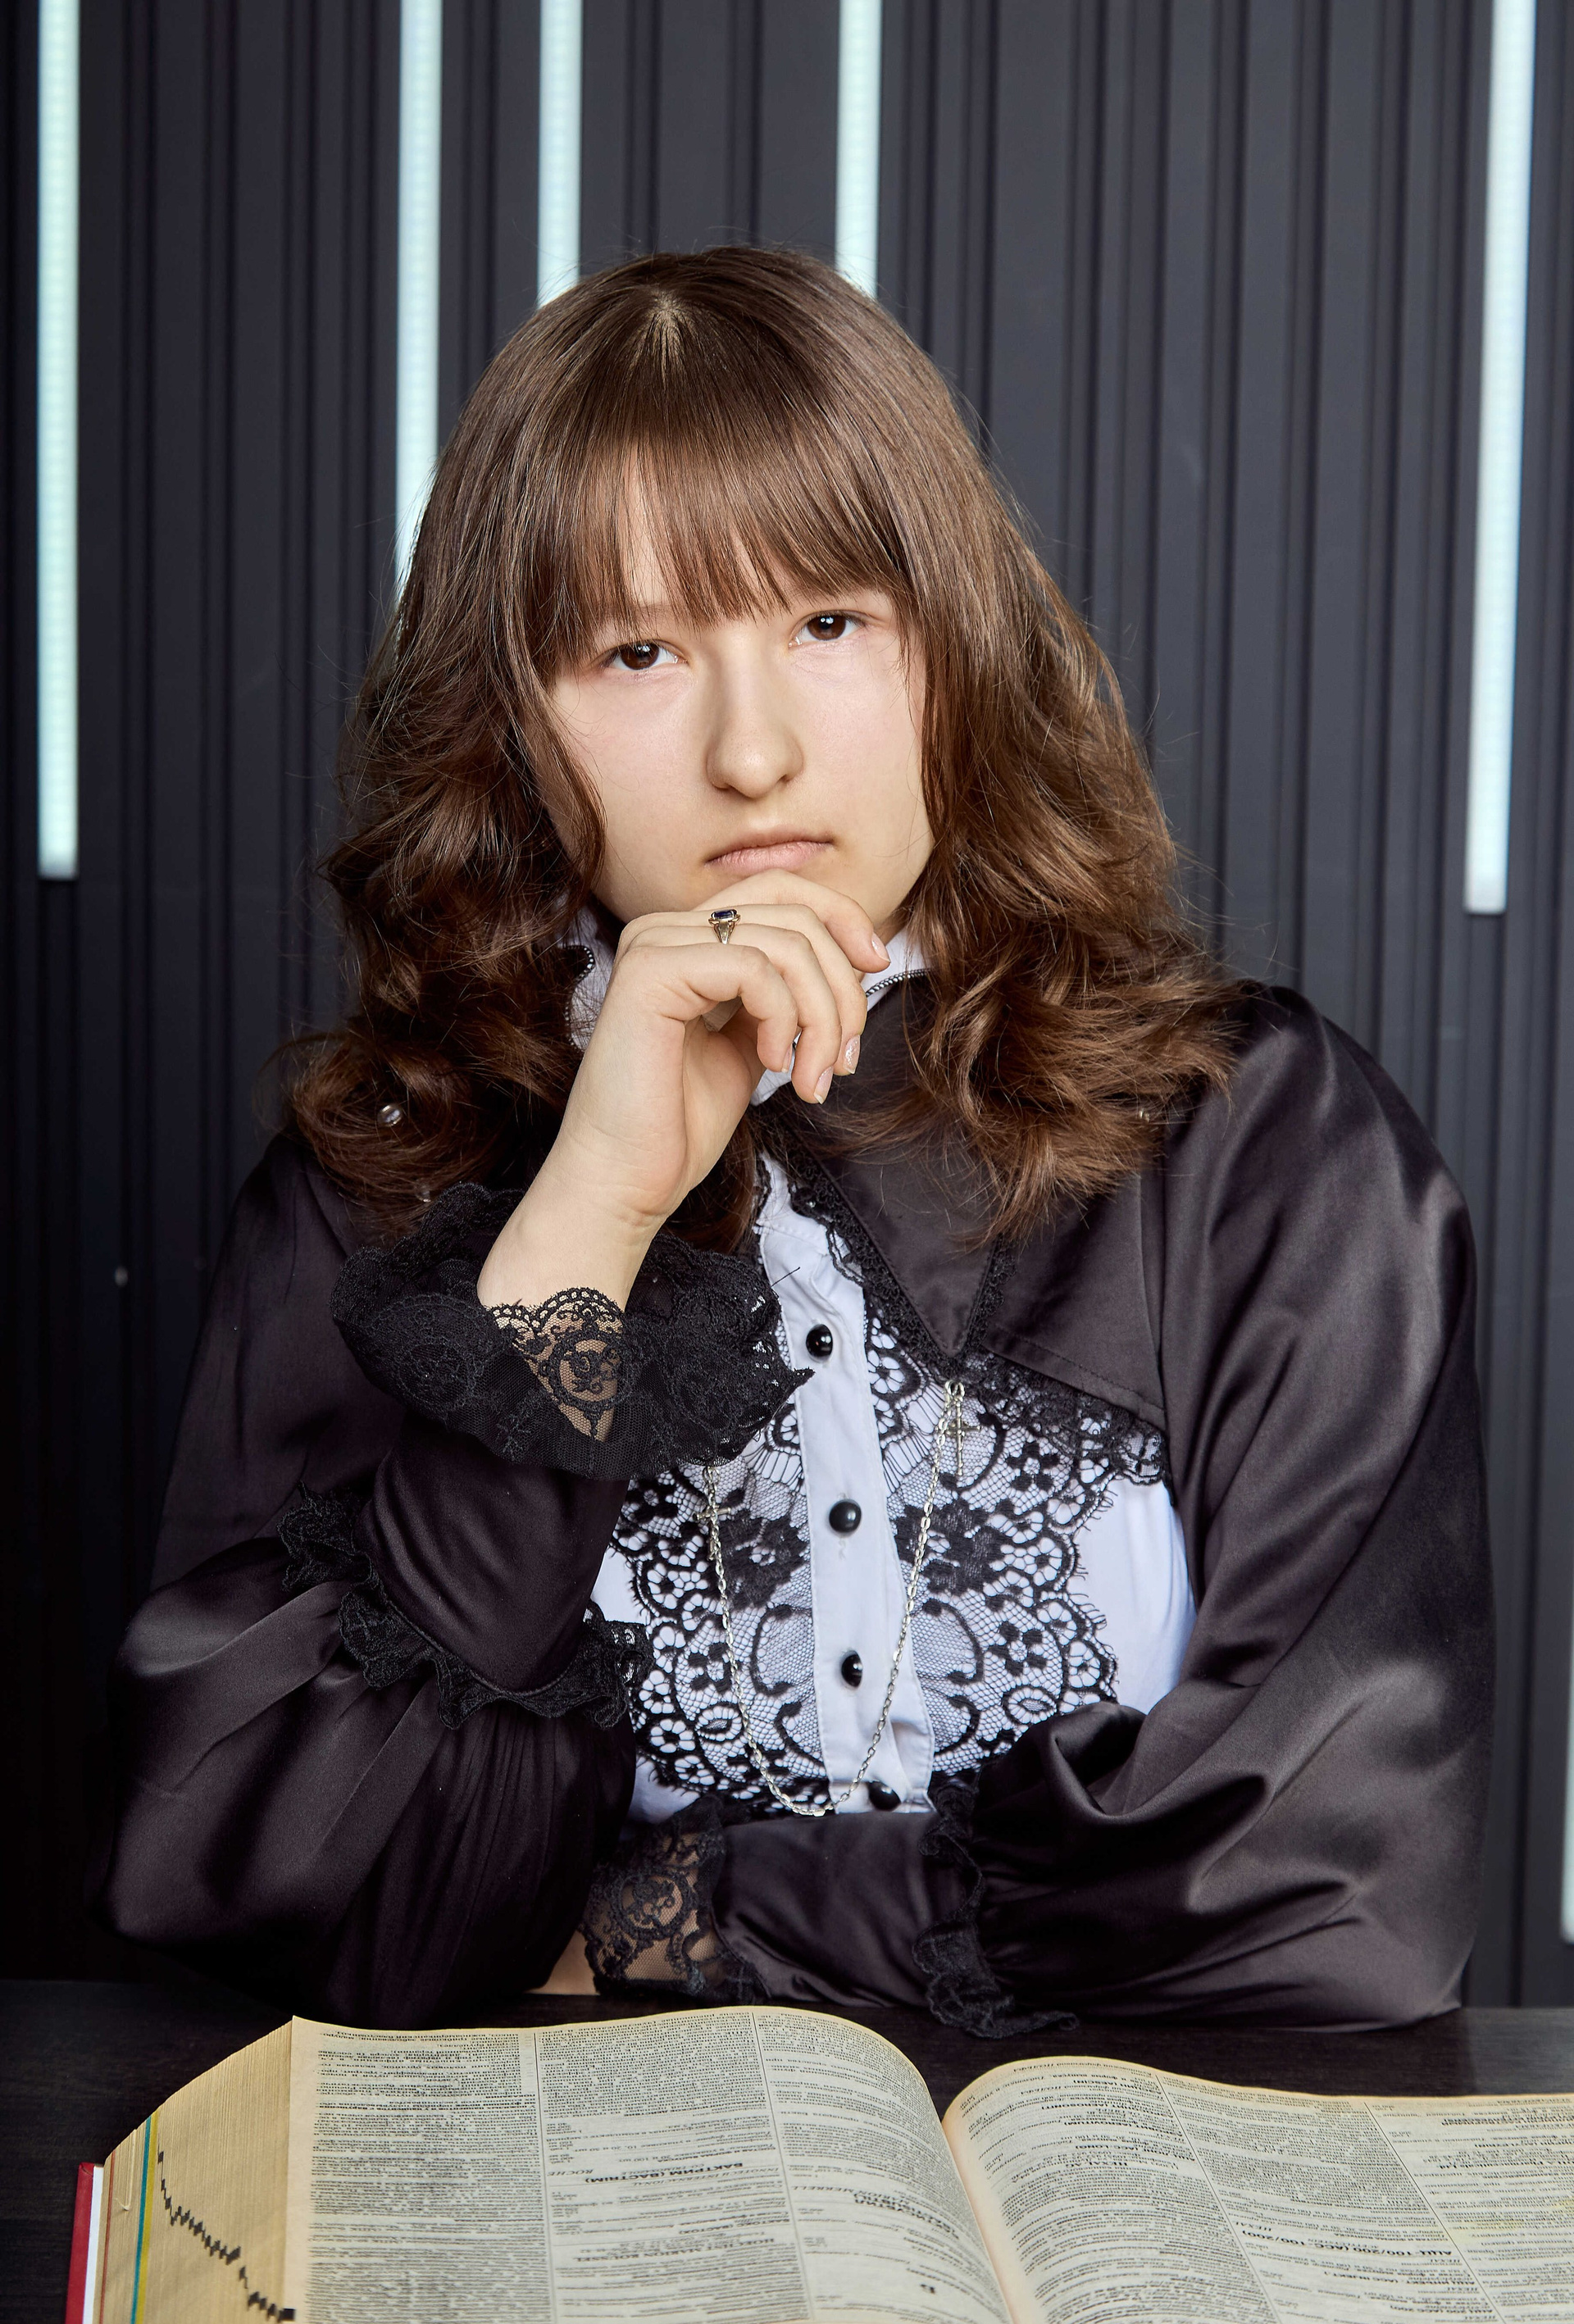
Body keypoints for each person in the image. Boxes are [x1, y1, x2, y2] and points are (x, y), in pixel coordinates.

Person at [91, 248, 1491, 2034]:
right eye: (638, 652)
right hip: (620, 2186)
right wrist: (590, 1220)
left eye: (830, 623)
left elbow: (1336, 1891)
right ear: (512, 723)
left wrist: (675, 1919)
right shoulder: (378, 1183)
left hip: (1138, 2187)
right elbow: (292, 1900)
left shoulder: (1259, 1142)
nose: (752, 754)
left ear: (952, 649)